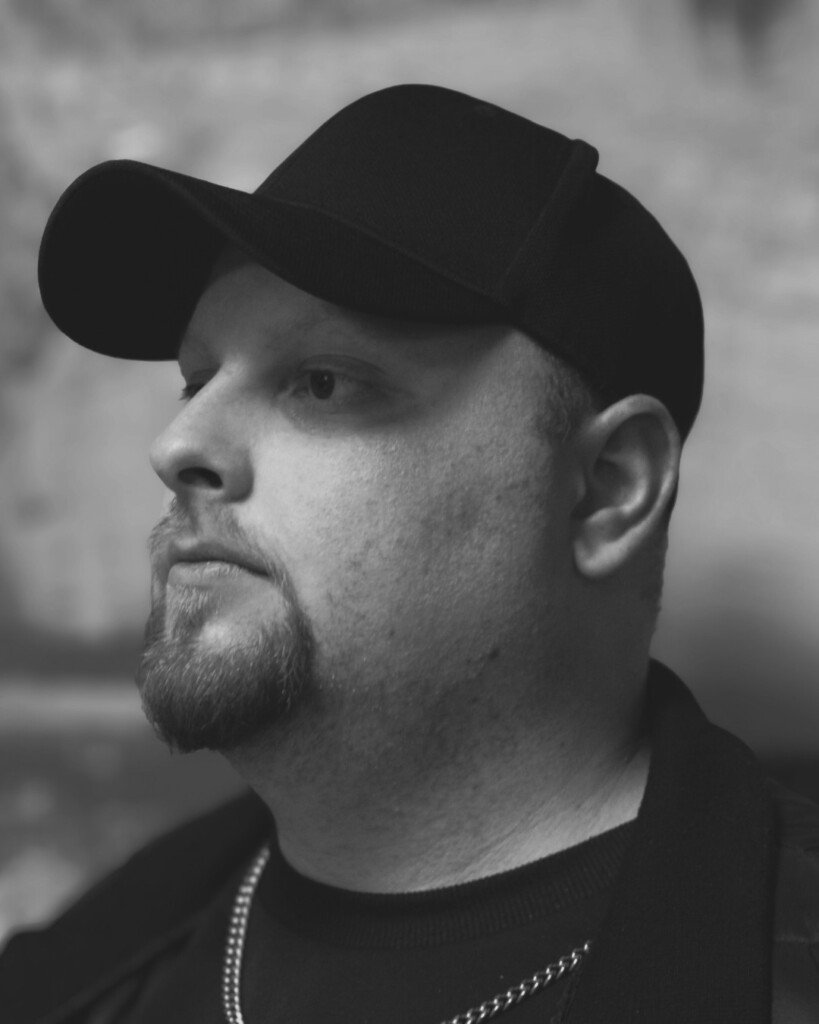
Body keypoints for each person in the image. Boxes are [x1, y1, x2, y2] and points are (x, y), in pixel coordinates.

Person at [1, 84, 817, 1024]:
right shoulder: (71, 978)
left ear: (605, 489)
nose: (177, 444)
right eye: (196, 379)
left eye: (321, 382)